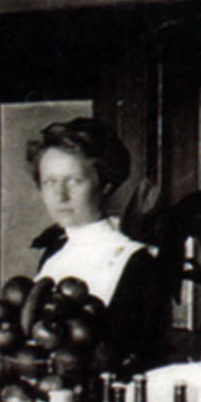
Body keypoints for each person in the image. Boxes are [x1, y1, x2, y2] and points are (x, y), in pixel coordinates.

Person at [27, 117, 168, 375]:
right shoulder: (55, 252)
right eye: (50, 182)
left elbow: (142, 363)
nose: (60, 195)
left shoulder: (136, 262)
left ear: (105, 184)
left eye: (74, 181)